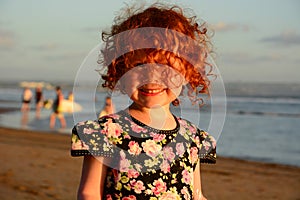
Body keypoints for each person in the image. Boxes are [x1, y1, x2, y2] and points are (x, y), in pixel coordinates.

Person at [71, 2, 217, 200]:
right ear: (121, 70)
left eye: (165, 67)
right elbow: (89, 193)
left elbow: (196, 194)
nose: (151, 77)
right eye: (138, 66)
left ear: (187, 72)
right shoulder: (105, 133)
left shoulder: (192, 138)